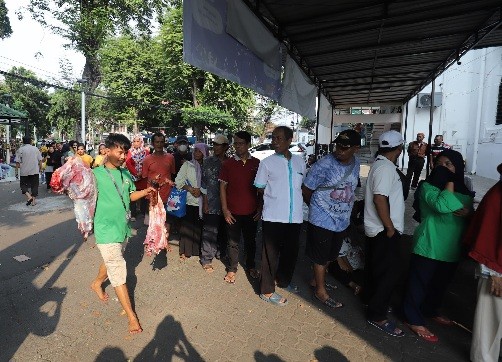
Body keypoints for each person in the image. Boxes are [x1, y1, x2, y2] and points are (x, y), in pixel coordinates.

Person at [402, 149, 474, 342]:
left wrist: (470, 214)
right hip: (429, 243)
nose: (443, 168)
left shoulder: (465, 189)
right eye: (440, 164)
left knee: (440, 284)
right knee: (419, 283)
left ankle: (430, 309)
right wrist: (449, 181)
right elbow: (442, 206)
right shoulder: (428, 186)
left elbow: (471, 213)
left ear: (458, 167)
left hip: (452, 246)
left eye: (449, 164)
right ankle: (412, 318)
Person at [90, 133, 154, 334]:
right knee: (118, 270)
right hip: (105, 229)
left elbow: (129, 195)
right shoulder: (94, 175)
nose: (123, 155)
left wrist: (144, 193)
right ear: (106, 151)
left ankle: (97, 282)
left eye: (125, 152)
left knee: (111, 260)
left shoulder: (126, 174)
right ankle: (132, 317)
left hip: (123, 228)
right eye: (120, 151)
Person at [302, 130, 361, 309]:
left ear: (356, 149)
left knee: (331, 254)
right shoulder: (324, 164)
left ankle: (316, 280)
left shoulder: (356, 164)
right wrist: (319, 209)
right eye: (338, 146)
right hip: (322, 219)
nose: (339, 150)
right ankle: (320, 291)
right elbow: (306, 189)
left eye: (345, 148)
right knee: (320, 257)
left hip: (341, 220)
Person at [255, 126, 306, 306]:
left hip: (295, 216)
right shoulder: (267, 163)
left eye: (279, 138)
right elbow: (259, 186)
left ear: (290, 140)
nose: (274, 141)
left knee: (291, 252)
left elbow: (301, 186)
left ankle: (284, 281)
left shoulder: (300, 162)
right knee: (270, 255)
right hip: (274, 216)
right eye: (273, 138)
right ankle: (267, 291)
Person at [364, 130, 406, 337]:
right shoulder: (384, 168)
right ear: (399, 149)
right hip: (384, 231)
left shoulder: (382, 166)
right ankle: (377, 315)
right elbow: (379, 199)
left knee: (379, 271)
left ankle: (374, 304)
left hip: (381, 229)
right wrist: (390, 228)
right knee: (389, 274)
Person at [466, 163, 502, 362]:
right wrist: (494, 273)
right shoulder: (498, 195)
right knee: (489, 323)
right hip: (496, 269)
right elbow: (488, 234)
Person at [219, 131, 261, 284]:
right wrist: (225, 210)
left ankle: (250, 266)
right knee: (233, 242)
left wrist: (260, 208)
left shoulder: (256, 163)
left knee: (251, 240)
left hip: (252, 212)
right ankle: (231, 269)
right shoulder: (228, 164)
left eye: (241, 143)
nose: (237, 146)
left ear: (248, 144)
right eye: (235, 143)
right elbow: (222, 187)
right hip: (233, 212)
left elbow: (261, 189)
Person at [199, 135, 229, 272]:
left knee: (225, 231)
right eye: (214, 144)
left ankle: (221, 253)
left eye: (219, 145)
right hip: (211, 202)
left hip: (228, 204)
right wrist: (205, 202)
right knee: (209, 231)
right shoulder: (207, 161)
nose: (216, 147)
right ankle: (206, 258)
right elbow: (204, 183)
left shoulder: (230, 163)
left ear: (226, 147)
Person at [175, 143, 209, 260]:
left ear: (205, 153)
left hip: (204, 201)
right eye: (195, 151)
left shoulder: (209, 166)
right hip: (189, 200)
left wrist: (201, 191)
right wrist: (190, 189)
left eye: (199, 151)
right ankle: (185, 251)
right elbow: (178, 181)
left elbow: (212, 184)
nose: (196, 153)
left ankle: (198, 251)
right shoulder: (188, 165)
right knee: (187, 226)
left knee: (200, 227)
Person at [141, 133, 176, 228]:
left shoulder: (170, 157)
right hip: (152, 196)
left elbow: (172, 174)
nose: (159, 144)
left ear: (164, 143)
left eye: (161, 142)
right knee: (153, 226)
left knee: (166, 225)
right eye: (157, 142)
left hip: (168, 196)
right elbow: (144, 177)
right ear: (153, 143)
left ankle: (165, 242)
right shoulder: (147, 160)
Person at [125, 135, 150, 222]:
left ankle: (143, 212)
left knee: (143, 195)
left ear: (141, 142)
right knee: (132, 195)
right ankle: (133, 214)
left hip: (143, 177)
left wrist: (142, 173)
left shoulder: (146, 152)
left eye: (138, 141)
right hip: (132, 177)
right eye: (134, 141)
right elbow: (128, 163)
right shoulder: (130, 152)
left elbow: (148, 163)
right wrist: (136, 173)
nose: (136, 143)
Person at [15, 136, 43, 206]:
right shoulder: (35, 149)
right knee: (34, 186)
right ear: (31, 141)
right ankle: (33, 202)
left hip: (24, 171)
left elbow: (17, 163)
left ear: (23, 141)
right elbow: (40, 160)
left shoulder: (20, 150)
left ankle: (29, 196)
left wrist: (16, 171)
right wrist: (41, 168)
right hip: (34, 170)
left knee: (23, 185)